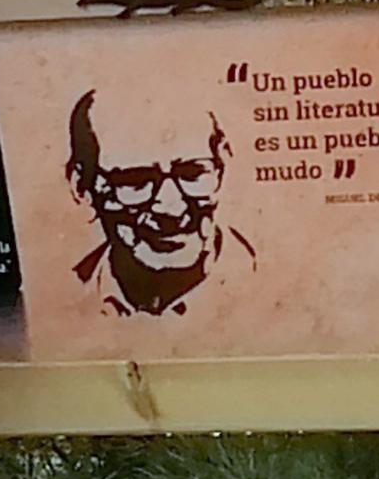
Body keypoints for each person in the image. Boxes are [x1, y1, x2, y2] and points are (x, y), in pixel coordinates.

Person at [66, 76, 257, 318]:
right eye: (136, 181)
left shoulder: (269, 283)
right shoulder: (64, 295)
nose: (172, 209)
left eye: (192, 173)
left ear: (222, 166)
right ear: (82, 186)